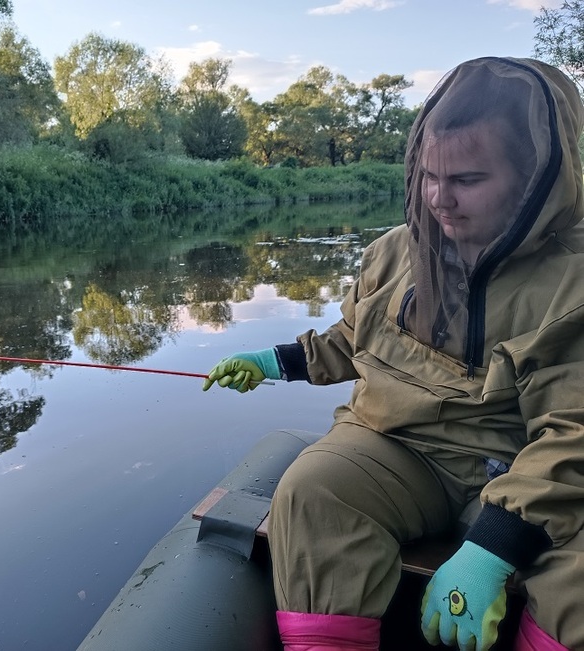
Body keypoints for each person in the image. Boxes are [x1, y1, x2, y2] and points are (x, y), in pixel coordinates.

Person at [203, 56, 584, 651]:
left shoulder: (573, 278)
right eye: (429, 176)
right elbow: (352, 341)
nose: (439, 199)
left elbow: (573, 433)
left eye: (467, 180)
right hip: (399, 449)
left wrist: (491, 549)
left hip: (521, 469)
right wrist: (272, 361)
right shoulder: (393, 253)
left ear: (535, 175)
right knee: (311, 488)